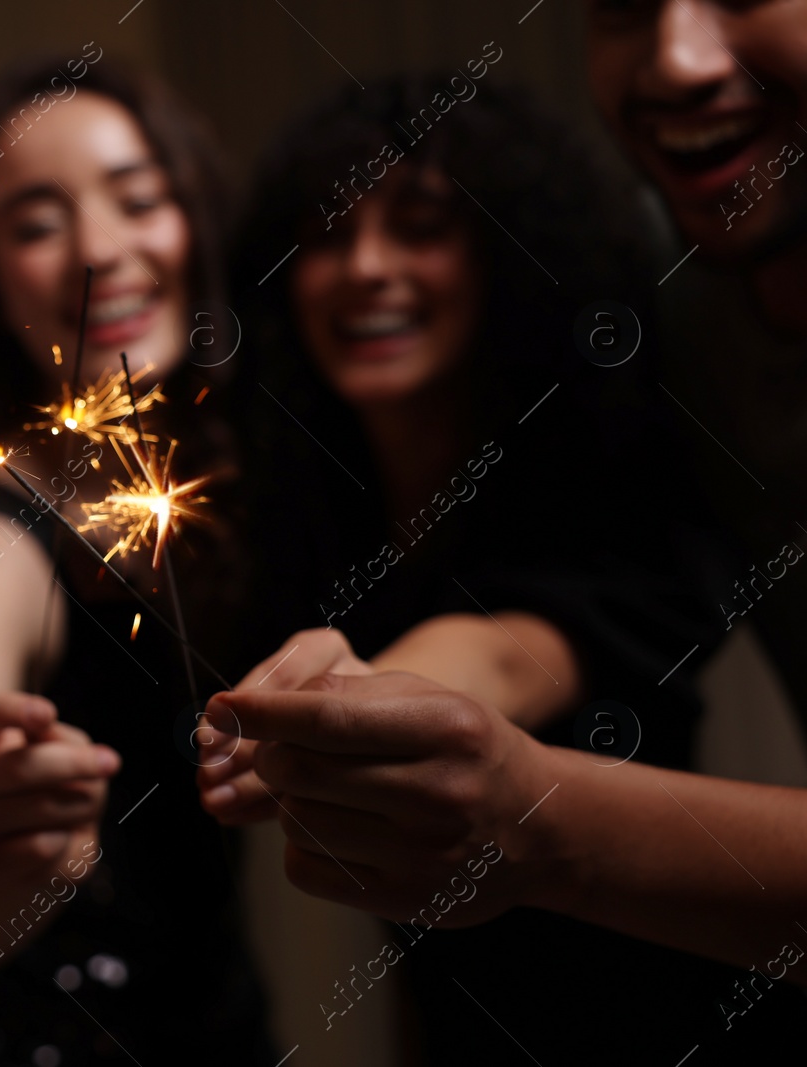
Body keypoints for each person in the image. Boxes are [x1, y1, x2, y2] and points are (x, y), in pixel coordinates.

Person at [202, 6, 807, 1058]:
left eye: (423, 228)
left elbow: (517, 645)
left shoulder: (608, 478)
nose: (368, 270)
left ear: (505, 260)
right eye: (329, 235)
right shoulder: (304, 515)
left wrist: (359, 697)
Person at [0, 57, 280, 1064]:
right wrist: (8, 852)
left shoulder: (234, 482)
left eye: (138, 200)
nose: (99, 251)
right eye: (39, 222)